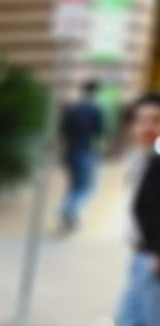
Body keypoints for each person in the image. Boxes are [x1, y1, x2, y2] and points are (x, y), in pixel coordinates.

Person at [51, 92, 160, 326]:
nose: (148, 128)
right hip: (140, 263)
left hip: (156, 263)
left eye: (156, 121)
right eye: (143, 121)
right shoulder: (141, 159)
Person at [58, 79, 105, 234]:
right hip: (85, 151)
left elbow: (63, 131)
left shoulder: (73, 108)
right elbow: (99, 133)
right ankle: (69, 210)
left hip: (70, 151)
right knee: (86, 188)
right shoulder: (95, 109)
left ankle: (66, 211)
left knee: (74, 186)